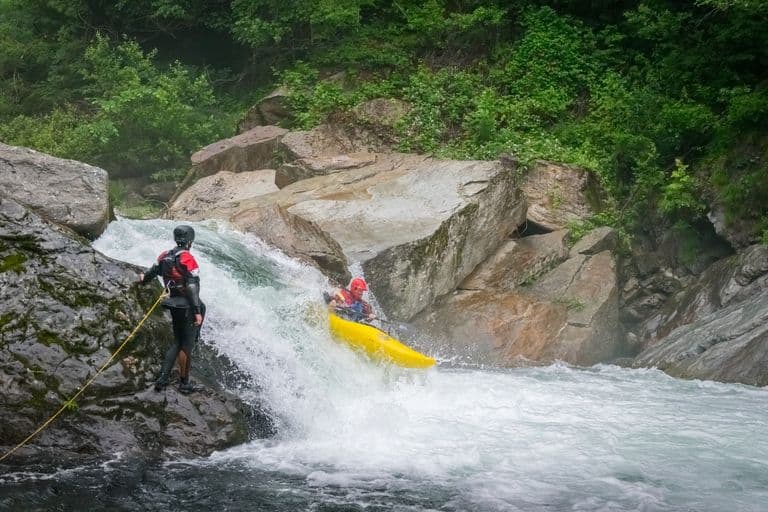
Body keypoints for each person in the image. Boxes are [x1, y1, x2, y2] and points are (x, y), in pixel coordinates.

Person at [138, 224, 205, 394]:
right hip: (187, 307)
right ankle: (184, 383)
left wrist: (142, 278)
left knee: (177, 341)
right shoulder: (187, 259)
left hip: (172, 303)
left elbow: (152, 272)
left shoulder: (165, 256)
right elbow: (192, 287)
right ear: (190, 241)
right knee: (186, 345)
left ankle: (162, 379)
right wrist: (197, 312)